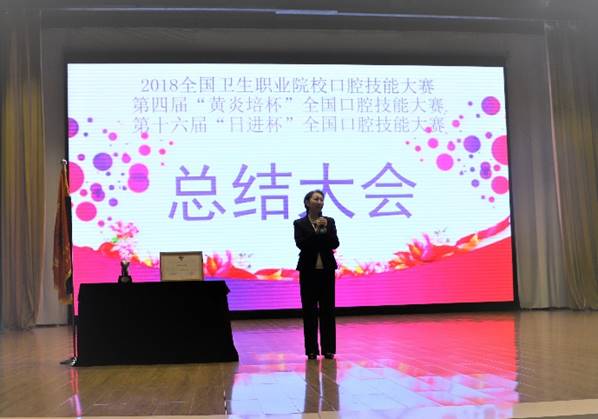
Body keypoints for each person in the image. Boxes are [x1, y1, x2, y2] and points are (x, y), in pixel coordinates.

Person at [293, 189, 340, 360]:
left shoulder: (329, 221)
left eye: (321, 199)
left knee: (328, 310)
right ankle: (311, 349)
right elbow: (301, 244)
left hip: (326, 271)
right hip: (308, 271)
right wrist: (317, 232)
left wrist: (324, 230)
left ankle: (329, 349)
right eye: (316, 199)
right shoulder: (299, 223)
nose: (320, 202)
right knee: (309, 310)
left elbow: (335, 243)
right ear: (307, 202)